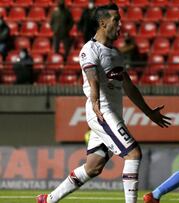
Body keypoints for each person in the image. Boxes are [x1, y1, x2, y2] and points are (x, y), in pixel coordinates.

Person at [37, 4, 171, 203]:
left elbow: (129, 86)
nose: (120, 24)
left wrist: (149, 112)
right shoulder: (89, 50)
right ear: (102, 23)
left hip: (112, 113)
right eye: (116, 20)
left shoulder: (116, 54)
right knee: (133, 154)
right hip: (101, 113)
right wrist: (96, 103)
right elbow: (93, 80)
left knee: (93, 167)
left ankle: (48, 200)